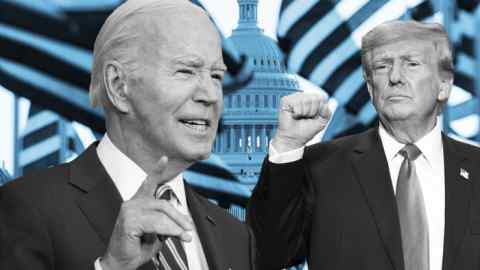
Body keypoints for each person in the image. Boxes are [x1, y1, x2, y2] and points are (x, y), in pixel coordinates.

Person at [0, 1, 255, 270]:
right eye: (186, 71)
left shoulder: (236, 237)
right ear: (119, 86)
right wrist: (112, 267)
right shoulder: (28, 208)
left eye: (216, 76)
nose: (211, 95)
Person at [248, 20, 480, 270]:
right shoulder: (321, 168)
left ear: (444, 85)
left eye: (411, 63)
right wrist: (288, 145)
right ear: (370, 88)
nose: (395, 77)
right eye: (382, 66)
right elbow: (265, 254)